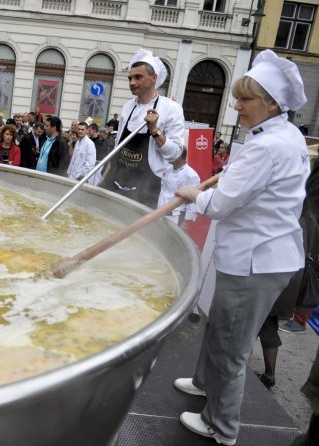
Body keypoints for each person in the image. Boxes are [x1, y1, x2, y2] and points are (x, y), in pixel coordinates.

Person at [173, 49, 310, 446]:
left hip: (256, 260)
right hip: (261, 254)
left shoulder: (268, 146)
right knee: (220, 325)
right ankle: (204, 382)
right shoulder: (284, 135)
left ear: (272, 103)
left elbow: (218, 205)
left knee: (231, 345)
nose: (236, 106)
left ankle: (221, 425)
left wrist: (192, 193)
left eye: (245, 99)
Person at [99, 48, 184, 209]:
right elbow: (118, 148)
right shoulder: (128, 107)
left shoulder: (171, 109)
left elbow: (176, 155)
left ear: (154, 78)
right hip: (115, 182)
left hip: (146, 190)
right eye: (130, 78)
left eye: (138, 77)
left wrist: (155, 131)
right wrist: (102, 181)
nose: (132, 82)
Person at [157, 148, 200, 230]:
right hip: (160, 211)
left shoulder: (191, 175)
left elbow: (193, 200)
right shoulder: (168, 169)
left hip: (176, 216)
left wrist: (186, 221)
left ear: (178, 156)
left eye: (171, 153)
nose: (168, 155)